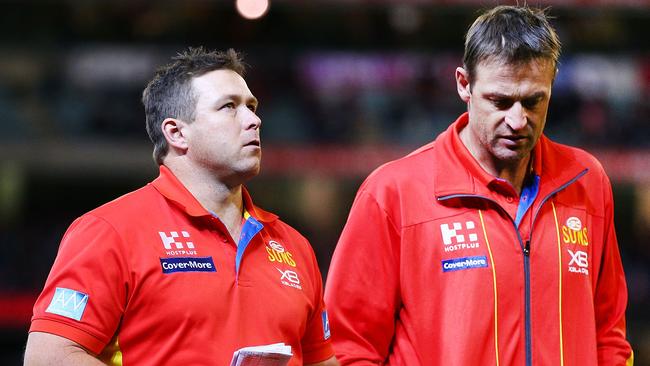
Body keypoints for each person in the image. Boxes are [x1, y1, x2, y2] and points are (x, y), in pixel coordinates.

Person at [324, 5, 633, 365]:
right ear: (463, 84)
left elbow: (609, 335)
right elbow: (349, 347)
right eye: (500, 101)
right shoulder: (393, 193)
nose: (518, 121)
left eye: (534, 101)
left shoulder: (587, 182)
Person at [24, 48, 338, 366]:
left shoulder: (294, 246)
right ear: (177, 133)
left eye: (252, 107)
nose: (253, 120)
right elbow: (49, 358)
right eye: (229, 107)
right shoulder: (110, 231)